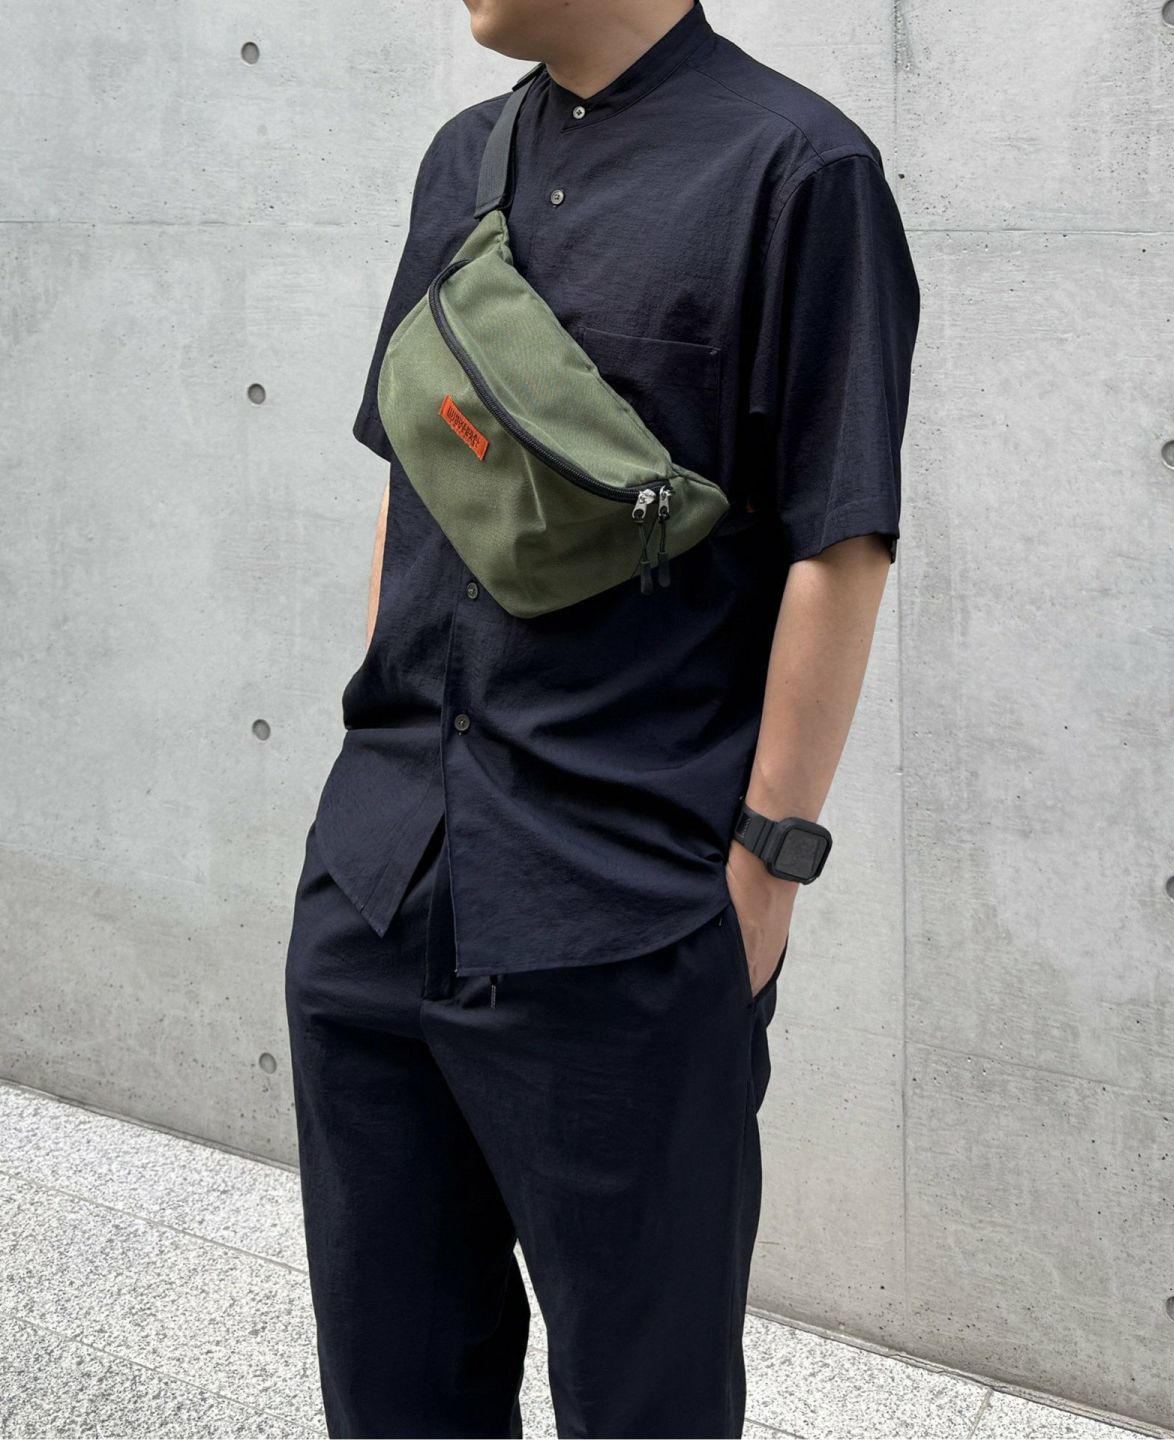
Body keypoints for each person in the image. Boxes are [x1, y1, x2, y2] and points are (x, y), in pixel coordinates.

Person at [283, 0, 920, 1435]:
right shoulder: (463, 158)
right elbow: (413, 471)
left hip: (623, 915)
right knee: (391, 1390)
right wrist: (370, 758)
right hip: (381, 884)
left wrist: (765, 871)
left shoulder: (799, 170)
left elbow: (840, 541)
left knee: (646, 1405)